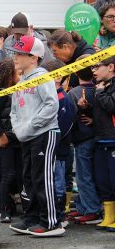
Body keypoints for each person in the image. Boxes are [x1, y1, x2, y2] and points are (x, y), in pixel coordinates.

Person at [8, 36, 65, 236]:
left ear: (33, 57)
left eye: (19, 53)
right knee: (29, 178)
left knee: (43, 178)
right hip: (27, 136)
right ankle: (31, 218)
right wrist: (19, 128)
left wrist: (30, 126)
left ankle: (51, 222)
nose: (15, 57)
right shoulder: (21, 81)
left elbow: (52, 105)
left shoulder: (43, 77)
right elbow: (14, 111)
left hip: (44, 133)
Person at [41, 60, 77, 228]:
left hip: (59, 149)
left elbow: (62, 127)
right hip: (48, 148)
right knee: (50, 182)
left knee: (58, 184)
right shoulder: (49, 96)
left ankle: (61, 215)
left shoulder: (63, 99)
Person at [0, 59, 22, 223]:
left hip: (20, 137)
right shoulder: (2, 93)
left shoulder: (19, 91)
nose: (20, 76)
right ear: (9, 76)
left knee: (21, 174)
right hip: (6, 140)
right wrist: (1, 135)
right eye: (18, 74)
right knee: (8, 174)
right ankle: (4, 209)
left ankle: (25, 206)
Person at [67, 67, 102, 224]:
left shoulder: (73, 93)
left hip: (81, 138)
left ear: (76, 73)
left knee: (83, 176)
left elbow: (69, 116)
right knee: (88, 174)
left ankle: (92, 209)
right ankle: (82, 206)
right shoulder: (98, 89)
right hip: (95, 135)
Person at [91, 56, 115, 231]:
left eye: (97, 66)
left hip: (113, 139)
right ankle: (109, 216)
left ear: (111, 67)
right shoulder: (102, 86)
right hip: (100, 139)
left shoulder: (107, 88)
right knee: (103, 180)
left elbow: (112, 107)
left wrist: (100, 93)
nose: (93, 70)